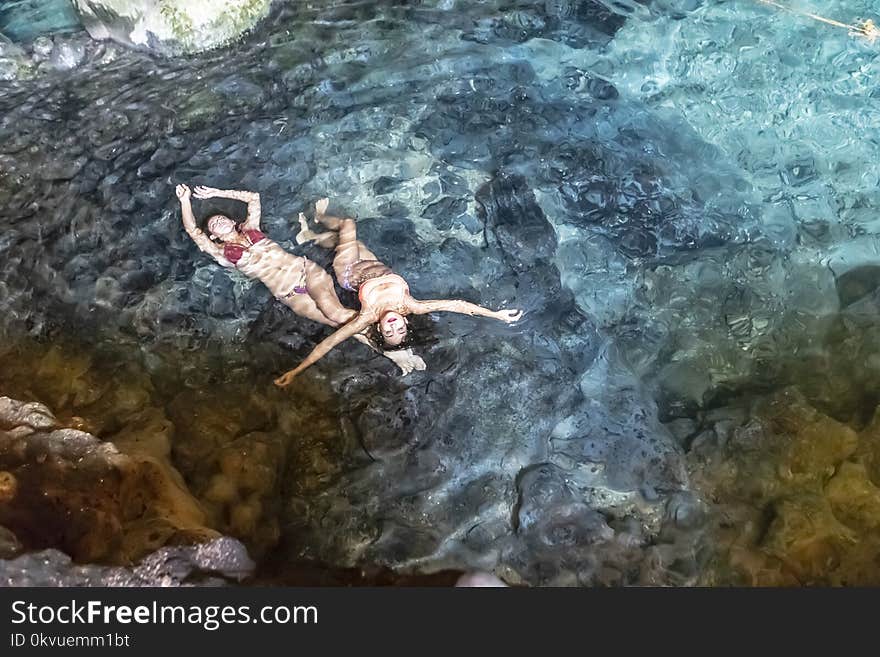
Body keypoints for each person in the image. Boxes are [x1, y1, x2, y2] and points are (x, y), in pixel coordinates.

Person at [175, 184, 426, 375]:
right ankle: (390, 346)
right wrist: (185, 201)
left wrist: (216, 193)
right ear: (214, 237)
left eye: (221, 217)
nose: (218, 221)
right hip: (288, 293)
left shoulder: (253, 227)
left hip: (307, 271)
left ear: (233, 221)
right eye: (214, 224)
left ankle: (394, 350)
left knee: (339, 314)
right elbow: (193, 232)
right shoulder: (221, 254)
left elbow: (253, 198)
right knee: (338, 321)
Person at [275, 198, 523, 387]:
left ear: (381, 329)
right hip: (375, 264)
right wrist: (496, 315)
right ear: (405, 321)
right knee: (351, 243)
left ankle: (319, 216)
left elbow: (329, 343)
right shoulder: (411, 305)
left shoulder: (368, 316)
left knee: (348, 227)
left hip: (350, 271)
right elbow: (457, 304)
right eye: (400, 329)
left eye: (389, 332)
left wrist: (297, 371)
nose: (394, 326)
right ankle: (308, 235)